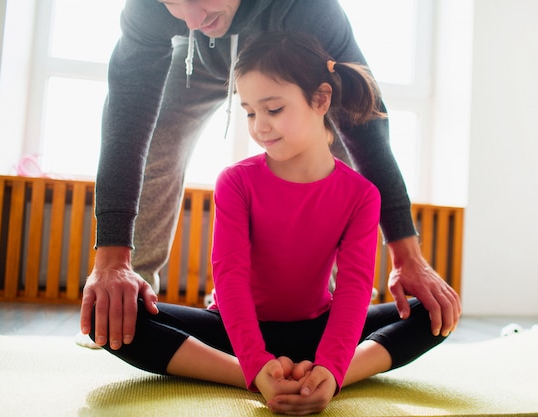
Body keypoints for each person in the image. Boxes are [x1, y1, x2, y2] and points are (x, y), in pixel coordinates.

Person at [87, 30, 450, 416]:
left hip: (318, 331)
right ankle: (255, 375)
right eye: (249, 112)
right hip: (235, 333)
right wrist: (256, 366)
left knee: (435, 310)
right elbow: (230, 279)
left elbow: (354, 290)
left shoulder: (362, 195)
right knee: (103, 317)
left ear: (321, 99)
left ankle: (327, 376)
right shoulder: (236, 181)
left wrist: (332, 366)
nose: (259, 126)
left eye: (273, 109)